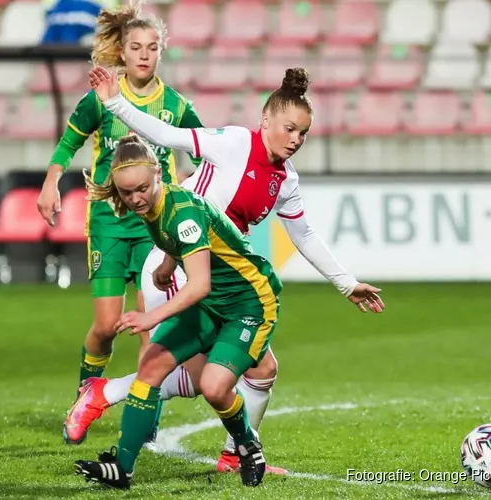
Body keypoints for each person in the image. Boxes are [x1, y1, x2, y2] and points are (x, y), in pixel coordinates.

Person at [69, 64, 385, 472]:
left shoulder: (285, 179)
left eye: (303, 133)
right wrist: (114, 101)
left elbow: (303, 234)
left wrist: (347, 283)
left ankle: (232, 454)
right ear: (265, 120)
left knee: (255, 370)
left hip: (214, 274)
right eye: (289, 128)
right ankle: (105, 395)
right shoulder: (235, 142)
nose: (296, 139)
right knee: (197, 377)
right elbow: (169, 136)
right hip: (182, 270)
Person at [36, 0, 202, 445]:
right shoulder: (102, 98)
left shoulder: (175, 105)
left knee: (150, 326)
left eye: (151, 47)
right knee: (107, 326)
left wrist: (187, 188)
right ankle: (85, 394)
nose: (144, 55)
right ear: (123, 52)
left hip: (157, 230)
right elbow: (70, 140)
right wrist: (51, 181)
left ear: (160, 52)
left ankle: (144, 416)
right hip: (110, 224)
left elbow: (205, 152)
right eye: (135, 47)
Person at [75, 135, 276, 489]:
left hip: (249, 303)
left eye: (140, 188)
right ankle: (122, 469)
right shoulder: (154, 204)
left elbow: (199, 285)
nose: (134, 198)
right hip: (214, 305)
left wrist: (151, 317)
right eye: (125, 193)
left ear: (158, 174)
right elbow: (183, 242)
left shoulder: (180, 210)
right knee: (151, 366)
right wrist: (168, 263)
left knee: (214, 387)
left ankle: (247, 444)